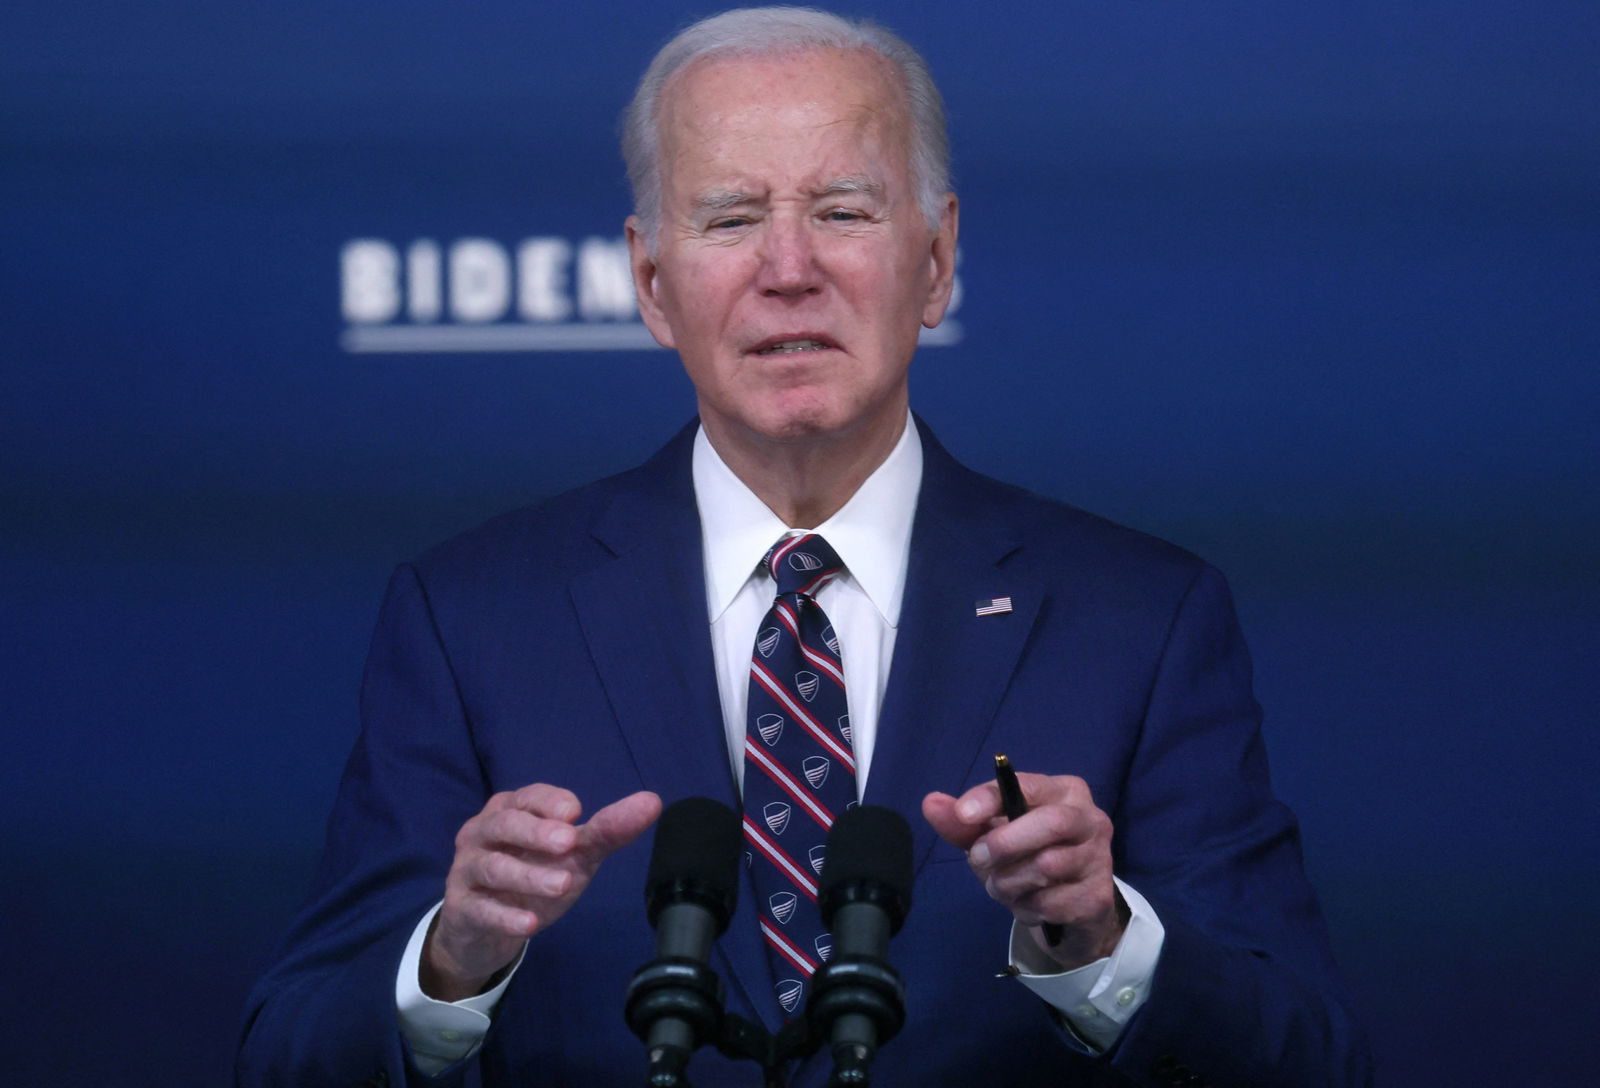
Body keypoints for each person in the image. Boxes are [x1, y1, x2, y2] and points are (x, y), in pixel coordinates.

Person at [238, 8, 1370, 1086]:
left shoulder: (1141, 619)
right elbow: (290, 1053)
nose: (788, 267)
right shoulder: (471, 616)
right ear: (650, 282)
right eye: (731, 218)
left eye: (841, 209)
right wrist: (453, 958)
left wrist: (1103, 942)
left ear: (934, 259)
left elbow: (1308, 1060)